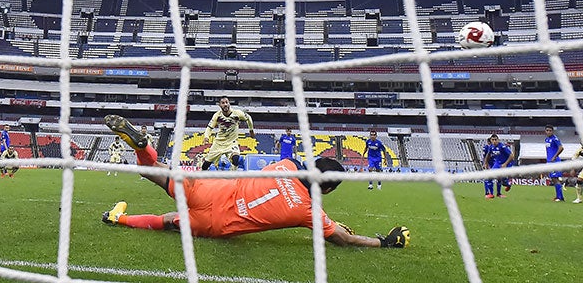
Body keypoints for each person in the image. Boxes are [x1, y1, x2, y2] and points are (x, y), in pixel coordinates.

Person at [101, 114, 410, 248]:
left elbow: (287, 184)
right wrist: (382, 241)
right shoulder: (308, 212)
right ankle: (119, 219)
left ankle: (143, 146)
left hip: (209, 190)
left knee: (152, 169)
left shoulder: (286, 164)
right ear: (327, 189)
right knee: (169, 221)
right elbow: (342, 239)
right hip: (220, 222)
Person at [202, 96, 254, 171]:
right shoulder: (217, 115)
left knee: (236, 159)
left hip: (232, 143)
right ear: (219, 105)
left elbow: (248, 118)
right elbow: (209, 127)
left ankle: (232, 175)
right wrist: (206, 137)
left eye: (227, 102)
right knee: (205, 165)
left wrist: (251, 130)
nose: (225, 104)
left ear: (229, 103)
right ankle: (199, 179)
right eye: (223, 103)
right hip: (218, 143)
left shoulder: (237, 113)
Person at [483, 134, 514, 198]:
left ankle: (508, 184)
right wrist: (485, 163)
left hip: (507, 163)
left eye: (495, 140)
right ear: (491, 140)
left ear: (498, 140)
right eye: (493, 140)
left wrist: (505, 164)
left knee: (502, 180)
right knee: (489, 176)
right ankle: (491, 194)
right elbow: (488, 155)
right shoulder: (491, 147)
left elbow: (512, 155)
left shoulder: (502, 147)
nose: (494, 141)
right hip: (497, 163)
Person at [545, 125, 565, 202]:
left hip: (555, 161)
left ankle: (560, 197)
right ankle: (558, 196)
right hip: (550, 161)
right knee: (553, 179)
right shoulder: (547, 139)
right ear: (545, 131)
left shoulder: (555, 139)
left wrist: (554, 157)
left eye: (550, 130)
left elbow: (561, 147)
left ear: (552, 131)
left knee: (555, 179)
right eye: (547, 130)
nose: (549, 132)